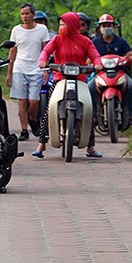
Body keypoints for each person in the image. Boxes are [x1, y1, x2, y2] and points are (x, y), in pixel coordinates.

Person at [34, 12, 104, 159]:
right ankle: (41, 145)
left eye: (63, 24)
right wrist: (42, 60)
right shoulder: (57, 39)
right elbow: (46, 51)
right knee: (50, 107)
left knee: (88, 109)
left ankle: (90, 147)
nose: (61, 27)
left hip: (80, 79)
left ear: (72, 25)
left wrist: (98, 64)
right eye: (60, 24)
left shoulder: (85, 41)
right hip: (60, 78)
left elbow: (94, 55)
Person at [6, 3, 50, 141]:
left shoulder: (42, 29)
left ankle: (33, 119)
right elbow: (12, 52)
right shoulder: (16, 30)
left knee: (34, 100)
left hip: (36, 69)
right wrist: (9, 73)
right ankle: (24, 130)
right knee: (22, 101)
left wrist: (45, 70)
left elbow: (45, 50)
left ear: (33, 15)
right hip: (20, 69)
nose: (24, 16)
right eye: (22, 14)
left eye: (27, 13)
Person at [89, 13, 132, 121]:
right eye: (104, 25)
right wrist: (90, 62)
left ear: (113, 27)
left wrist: (131, 58)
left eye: (109, 25)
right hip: (100, 73)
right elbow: (88, 57)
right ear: (100, 28)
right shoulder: (95, 42)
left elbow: (130, 54)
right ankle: (93, 114)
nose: (106, 28)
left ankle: (131, 112)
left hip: (119, 72)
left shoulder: (121, 41)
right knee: (90, 88)